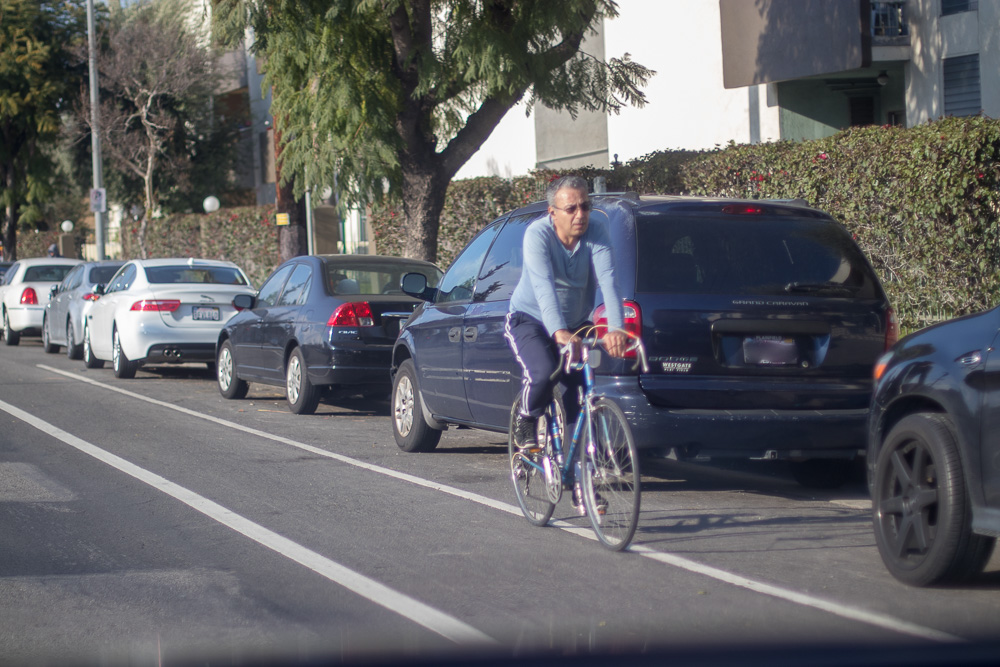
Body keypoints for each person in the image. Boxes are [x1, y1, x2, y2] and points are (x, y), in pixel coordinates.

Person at [504, 175, 628, 515]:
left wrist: (615, 328)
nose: (580, 214)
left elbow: (609, 281)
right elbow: (543, 287)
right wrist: (557, 331)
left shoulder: (596, 233)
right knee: (543, 372)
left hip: (575, 323)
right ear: (552, 212)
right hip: (530, 319)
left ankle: (579, 485)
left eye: (585, 206)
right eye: (571, 208)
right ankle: (527, 418)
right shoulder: (537, 235)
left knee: (578, 394)